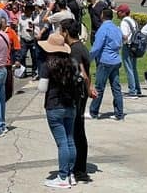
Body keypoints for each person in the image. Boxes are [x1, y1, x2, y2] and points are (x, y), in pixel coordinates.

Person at [37, 34, 77, 188]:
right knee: (70, 140)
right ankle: (70, 173)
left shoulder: (48, 65)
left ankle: (62, 177)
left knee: (62, 143)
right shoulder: (71, 63)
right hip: (70, 105)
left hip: (54, 105)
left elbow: (42, 88)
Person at [60, 19, 94, 183]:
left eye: (61, 31)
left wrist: (86, 87)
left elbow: (83, 74)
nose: (60, 34)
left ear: (66, 32)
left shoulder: (73, 51)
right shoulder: (81, 47)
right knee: (78, 130)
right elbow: (88, 72)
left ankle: (79, 169)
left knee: (77, 131)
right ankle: (79, 167)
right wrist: (89, 88)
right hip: (82, 93)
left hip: (77, 95)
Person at [88, 8, 124, 121]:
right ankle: (119, 113)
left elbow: (97, 47)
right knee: (116, 87)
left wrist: (88, 59)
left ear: (102, 16)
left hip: (105, 60)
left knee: (99, 87)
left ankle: (93, 112)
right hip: (116, 60)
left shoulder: (103, 29)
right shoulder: (116, 28)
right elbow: (120, 43)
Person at [117, 4, 142, 99]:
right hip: (135, 46)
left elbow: (125, 36)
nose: (117, 13)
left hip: (128, 46)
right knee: (134, 68)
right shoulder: (133, 20)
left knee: (129, 69)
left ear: (123, 12)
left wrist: (118, 31)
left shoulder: (124, 22)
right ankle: (137, 89)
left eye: (119, 11)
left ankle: (132, 91)